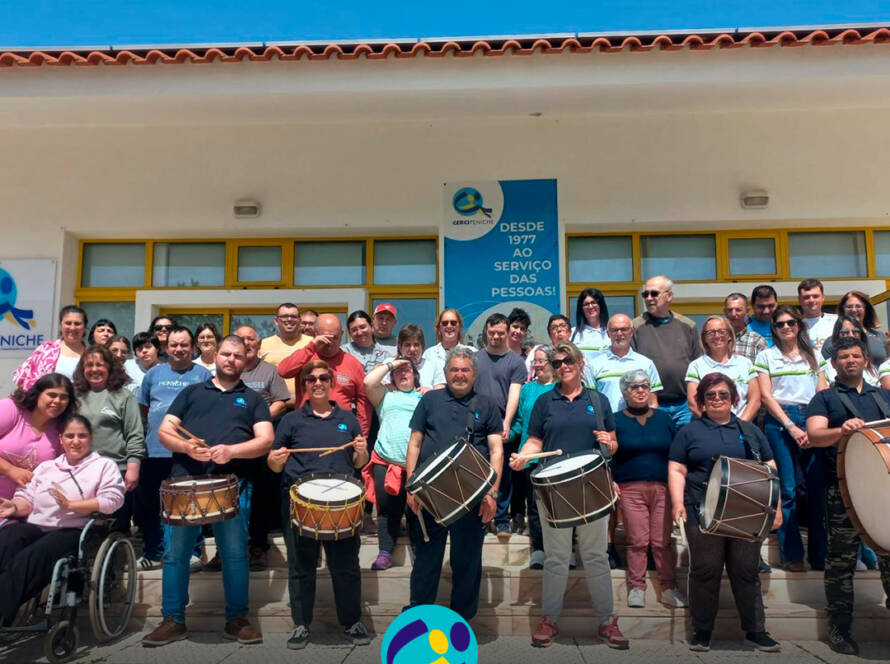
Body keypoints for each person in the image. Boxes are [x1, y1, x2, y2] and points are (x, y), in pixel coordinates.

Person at [142, 335, 274, 648]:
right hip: (185, 482)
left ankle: (237, 618)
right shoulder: (191, 392)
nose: (231, 360)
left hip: (233, 483)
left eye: (238, 356)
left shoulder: (253, 399)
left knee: (234, 554)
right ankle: (173, 619)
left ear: (245, 360)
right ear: (215, 356)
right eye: (226, 354)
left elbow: (266, 440)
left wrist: (232, 451)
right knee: (175, 555)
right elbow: (164, 431)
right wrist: (187, 446)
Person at [508, 342, 628, 649]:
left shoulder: (598, 401)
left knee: (596, 557)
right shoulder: (545, 402)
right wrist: (523, 456)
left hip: (591, 487)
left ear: (580, 361)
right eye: (557, 362)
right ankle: (550, 619)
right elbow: (535, 440)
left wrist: (609, 443)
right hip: (554, 490)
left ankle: (607, 620)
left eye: (568, 360)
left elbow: (613, 443)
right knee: (557, 558)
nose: (563, 366)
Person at [668, 373, 782, 653]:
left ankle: (755, 630)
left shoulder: (750, 430)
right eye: (710, 395)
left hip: (746, 512)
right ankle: (702, 630)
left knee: (746, 570)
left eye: (723, 394)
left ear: (734, 398)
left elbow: (770, 467)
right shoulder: (689, 432)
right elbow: (677, 468)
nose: (717, 399)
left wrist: (775, 507)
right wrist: (677, 502)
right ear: (701, 401)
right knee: (706, 569)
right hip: (701, 510)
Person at [267, 360, 371, 649]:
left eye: (323, 377)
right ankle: (301, 624)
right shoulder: (291, 420)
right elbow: (274, 465)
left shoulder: (348, 419)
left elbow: (359, 464)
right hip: (299, 502)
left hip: (341, 504)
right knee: (301, 567)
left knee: (346, 566)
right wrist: (274, 460)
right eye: (310, 378)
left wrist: (361, 453)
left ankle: (352, 621)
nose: (317, 382)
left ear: (331, 381)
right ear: (304, 384)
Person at [805, 337, 890, 656]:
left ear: (866, 359)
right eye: (843, 356)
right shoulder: (824, 399)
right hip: (843, 493)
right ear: (835, 362)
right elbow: (814, 436)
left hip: (885, 493)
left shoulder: (883, 396)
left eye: (856, 355)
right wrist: (841, 432)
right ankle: (840, 630)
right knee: (840, 565)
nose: (850, 360)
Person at [405, 348, 503, 621]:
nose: (459, 375)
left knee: (467, 560)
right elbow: (414, 444)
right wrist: (410, 486)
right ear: (446, 373)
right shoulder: (430, 400)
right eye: (454, 370)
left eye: (465, 370)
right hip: (429, 493)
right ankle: (420, 616)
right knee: (426, 558)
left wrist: (492, 493)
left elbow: (496, 451)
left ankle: (462, 619)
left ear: (475, 374)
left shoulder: (486, 403)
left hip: (473, 495)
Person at [0, 415, 125, 626]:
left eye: (82, 436)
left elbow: (113, 500)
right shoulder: (46, 468)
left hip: (75, 530)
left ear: (91, 438)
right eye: (70, 436)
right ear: (61, 439)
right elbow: (27, 498)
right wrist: (14, 507)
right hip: (36, 525)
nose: (76, 441)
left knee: (33, 556)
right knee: (6, 540)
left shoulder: (104, 466)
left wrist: (73, 506)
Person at [755, 306, 828, 572]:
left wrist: (812, 426)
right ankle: (792, 554)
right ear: (774, 328)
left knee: (815, 489)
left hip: (812, 418)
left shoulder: (814, 356)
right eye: (780, 324)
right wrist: (791, 427)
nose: (786, 328)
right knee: (787, 490)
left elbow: (822, 391)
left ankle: (820, 556)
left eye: (791, 323)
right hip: (780, 422)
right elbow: (766, 396)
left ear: (799, 325)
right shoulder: (766, 356)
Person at [135, 326, 211, 570]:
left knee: (190, 503)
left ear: (193, 348)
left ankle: (195, 552)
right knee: (151, 505)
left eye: (184, 345)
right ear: (166, 348)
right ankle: (154, 553)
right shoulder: (153, 375)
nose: (179, 349)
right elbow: (144, 410)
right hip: (155, 452)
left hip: (190, 453)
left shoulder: (203, 375)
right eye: (174, 345)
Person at [612, 369, 686, 609]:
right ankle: (637, 587)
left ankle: (668, 587)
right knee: (637, 540)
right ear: (625, 392)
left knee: (662, 540)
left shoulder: (664, 419)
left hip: (662, 487)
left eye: (645, 386)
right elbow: (609, 455)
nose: (641, 391)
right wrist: (611, 480)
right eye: (635, 387)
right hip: (630, 488)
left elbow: (676, 455)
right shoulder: (615, 420)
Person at [235, 325, 290, 570]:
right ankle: (229, 549)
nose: (246, 343)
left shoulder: (269, 371)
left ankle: (258, 547)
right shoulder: (228, 370)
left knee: (259, 497)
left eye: (251, 339)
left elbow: (281, 402)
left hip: (262, 443)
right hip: (233, 444)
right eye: (241, 339)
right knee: (232, 498)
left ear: (258, 344)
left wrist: (257, 422)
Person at [73, 345, 144, 533]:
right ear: (82, 369)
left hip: (115, 471)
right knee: (82, 528)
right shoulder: (74, 396)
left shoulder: (123, 396)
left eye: (100, 365)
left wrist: (133, 467)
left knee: (114, 528)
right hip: (80, 472)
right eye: (89, 365)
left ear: (110, 368)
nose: (94, 369)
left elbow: (134, 434)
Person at [362, 357, 421, 571]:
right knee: (387, 511)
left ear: (415, 375)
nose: (403, 373)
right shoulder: (385, 396)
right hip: (385, 463)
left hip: (416, 466)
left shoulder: (425, 397)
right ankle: (385, 552)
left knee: (416, 511)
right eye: (399, 371)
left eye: (408, 370)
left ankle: (420, 553)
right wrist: (393, 364)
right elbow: (368, 382)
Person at [474, 313, 527, 542]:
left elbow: (514, 393)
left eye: (500, 333)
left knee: (502, 475)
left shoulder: (515, 362)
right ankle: (481, 519)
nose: (496, 336)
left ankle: (502, 519)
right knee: (478, 473)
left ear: (507, 333)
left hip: (502, 425)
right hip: (477, 425)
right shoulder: (475, 359)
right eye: (492, 332)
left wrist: (506, 422)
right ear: (486, 331)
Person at [278, 314, 371, 436]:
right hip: (306, 430)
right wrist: (312, 347)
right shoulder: (305, 355)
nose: (330, 342)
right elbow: (283, 371)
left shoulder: (352, 363)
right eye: (325, 337)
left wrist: (361, 435)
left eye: (335, 337)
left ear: (342, 334)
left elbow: (363, 401)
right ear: (315, 334)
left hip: (341, 431)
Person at [632, 275, 701, 428]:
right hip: (651, 404)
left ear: (669, 295)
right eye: (645, 294)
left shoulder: (687, 325)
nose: (649, 298)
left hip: (685, 405)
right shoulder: (635, 327)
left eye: (654, 293)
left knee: (684, 449)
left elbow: (698, 364)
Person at [510, 345, 556, 569]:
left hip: (555, 456)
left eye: (541, 361)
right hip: (530, 456)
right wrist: (508, 434)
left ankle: (567, 550)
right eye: (534, 361)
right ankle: (538, 548)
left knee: (558, 506)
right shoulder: (527, 390)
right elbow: (520, 421)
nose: (537, 365)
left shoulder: (560, 388)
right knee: (535, 507)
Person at [0, 374, 75, 504]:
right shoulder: (12, 409)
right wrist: (10, 470)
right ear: (37, 394)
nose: (57, 401)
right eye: (52, 395)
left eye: (63, 397)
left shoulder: (63, 430)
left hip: (25, 506)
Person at [686, 316, 760, 421]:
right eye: (711, 332)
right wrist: (716, 426)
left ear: (730, 335)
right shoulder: (696, 366)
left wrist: (739, 426)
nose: (717, 336)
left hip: (741, 427)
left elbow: (755, 400)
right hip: (709, 428)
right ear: (704, 338)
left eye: (722, 331)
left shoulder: (745, 363)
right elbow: (693, 403)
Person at [588, 314, 661, 412]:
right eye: (614, 330)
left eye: (624, 329)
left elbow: (652, 402)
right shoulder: (594, 365)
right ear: (608, 333)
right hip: (606, 424)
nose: (619, 333)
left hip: (638, 424)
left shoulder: (646, 364)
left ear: (631, 332)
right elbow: (590, 402)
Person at [13, 305, 88, 388]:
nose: (72, 327)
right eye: (68, 323)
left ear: (84, 327)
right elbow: (23, 378)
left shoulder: (90, 354)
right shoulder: (45, 350)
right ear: (61, 325)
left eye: (77, 324)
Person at [260, 303, 314, 406]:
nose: (289, 319)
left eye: (293, 316)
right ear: (276, 321)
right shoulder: (263, 345)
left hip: (305, 408)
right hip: (272, 408)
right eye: (284, 316)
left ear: (300, 320)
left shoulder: (311, 343)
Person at [828, 290, 887, 366]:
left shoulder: (880, 337)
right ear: (843, 309)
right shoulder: (831, 342)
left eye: (858, 306)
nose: (854, 310)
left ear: (866, 309)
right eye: (849, 306)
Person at [421, 308, 472, 388]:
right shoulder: (429, 354)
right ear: (439, 328)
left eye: (453, 323)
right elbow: (423, 382)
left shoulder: (471, 352)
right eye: (445, 323)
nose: (449, 326)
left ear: (460, 327)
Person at [822, 316, 879, 385]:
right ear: (837, 335)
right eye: (845, 332)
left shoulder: (872, 369)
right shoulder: (825, 369)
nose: (851, 335)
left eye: (856, 332)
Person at [570, 288, 610, 365]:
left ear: (600, 305)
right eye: (586, 304)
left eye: (593, 302)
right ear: (581, 308)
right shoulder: (573, 334)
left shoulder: (611, 332)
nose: (590, 307)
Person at [390, 324, 437, 390]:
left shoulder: (433, 367)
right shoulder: (390, 363)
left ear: (422, 347)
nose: (412, 349)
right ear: (400, 347)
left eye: (416, 345)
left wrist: (430, 392)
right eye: (407, 345)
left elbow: (440, 391)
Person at [723, 293, 767, 363]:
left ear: (747, 311)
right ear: (725, 312)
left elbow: (764, 371)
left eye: (738, 310)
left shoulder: (757, 341)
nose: (733, 314)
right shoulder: (717, 338)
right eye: (730, 310)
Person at [798, 278, 838, 356]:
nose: (811, 300)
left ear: (823, 297)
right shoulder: (792, 325)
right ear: (799, 299)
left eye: (815, 296)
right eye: (806, 297)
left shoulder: (837, 321)